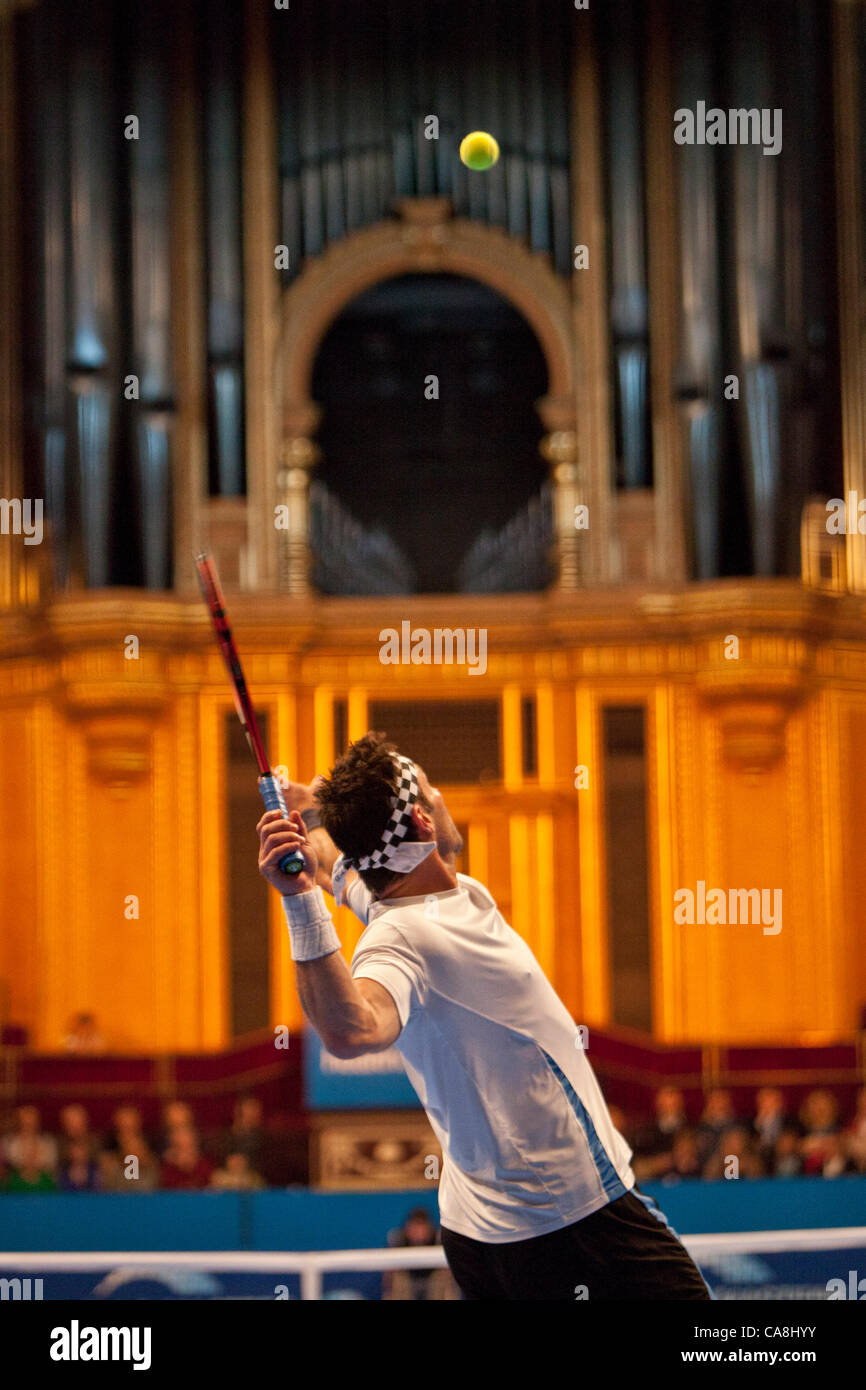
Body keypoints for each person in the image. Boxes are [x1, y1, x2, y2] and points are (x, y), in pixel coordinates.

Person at [257, 733, 713, 1301]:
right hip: (569, 1220)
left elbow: (334, 860)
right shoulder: (400, 936)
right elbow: (351, 1030)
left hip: (482, 1230)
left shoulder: (393, 891)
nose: (441, 794)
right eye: (429, 790)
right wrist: (298, 901)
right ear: (422, 822)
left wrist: (309, 801)